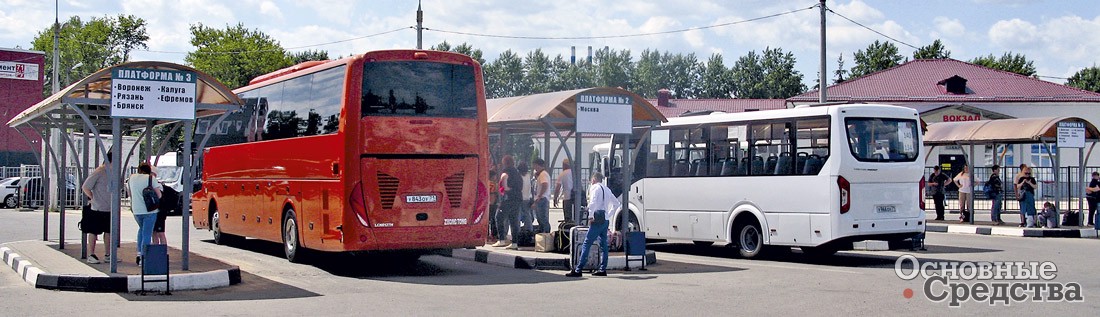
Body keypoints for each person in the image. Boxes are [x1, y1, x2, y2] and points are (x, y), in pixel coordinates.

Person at [565, 172, 620, 278]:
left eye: (591, 179)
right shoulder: (607, 189)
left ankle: (578, 269)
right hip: (605, 219)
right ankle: (602, 269)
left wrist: (590, 216)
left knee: (587, 243)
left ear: (594, 179)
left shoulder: (594, 187)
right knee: (604, 245)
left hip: (597, 219)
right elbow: (616, 203)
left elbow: (593, 202)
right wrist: (608, 214)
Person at [80, 152, 113, 264]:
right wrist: (93, 198)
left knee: (108, 232)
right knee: (93, 232)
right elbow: (85, 187)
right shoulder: (99, 171)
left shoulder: (113, 173)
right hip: (97, 208)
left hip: (109, 208)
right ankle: (91, 254)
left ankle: (108, 254)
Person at [127, 163, 162, 265]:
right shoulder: (151, 179)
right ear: (149, 171)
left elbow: (129, 194)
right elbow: (159, 195)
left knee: (141, 230)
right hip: (150, 211)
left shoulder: (131, 178)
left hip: (136, 211)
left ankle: (139, 253)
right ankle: (144, 257)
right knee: (147, 233)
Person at [492, 155, 522, 250]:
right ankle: (514, 243)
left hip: (507, 198)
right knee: (514, 220)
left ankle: (501, 240)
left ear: (505, 163)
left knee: (498, 217)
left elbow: (504, 183)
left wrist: (506, 189)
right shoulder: (517, 173)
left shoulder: (505, 172)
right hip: (517, 198)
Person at [531, 158, 551, 233]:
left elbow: (544, 184)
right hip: (541, 198)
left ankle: (546, 234)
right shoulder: (541, 174)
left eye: (534, 165)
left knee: (543, 218)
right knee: (540, 218)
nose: (534, 167)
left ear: (537, 165)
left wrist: (539, 196)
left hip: (542, 198)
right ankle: (544, 233)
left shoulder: (543, 174)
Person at [553, 158, 574, 223]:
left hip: (567, 198)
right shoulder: (575, 173)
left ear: (565, 165)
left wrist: (555, 198)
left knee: (568, 217)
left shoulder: (563, 174)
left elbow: (557, 187)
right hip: (576, 198)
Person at [517, 161, 534, 232]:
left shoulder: (518, 176)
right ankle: (529, 229)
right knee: (527, 215)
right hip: (527, 198)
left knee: (517, 215)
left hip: (519, 198)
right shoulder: (528, 176)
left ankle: (517, 230)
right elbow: (531, 187)